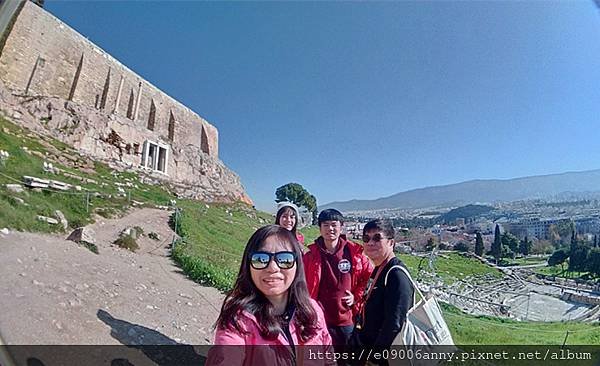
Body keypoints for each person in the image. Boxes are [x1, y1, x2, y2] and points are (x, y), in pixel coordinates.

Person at [207, 225, 333, 365]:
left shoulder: (312, 311)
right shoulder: (237, 320)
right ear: (248, 266)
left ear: (297, 265)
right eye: (261, 259)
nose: (273, 267)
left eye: (284, 259)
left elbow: (329, 360)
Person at [303, 209, 373, 352]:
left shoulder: (354, 252)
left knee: (348, 359)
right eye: (326, 225)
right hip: (319, 319)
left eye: (334, 224)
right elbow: (300, 284)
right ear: (320, 228)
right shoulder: (311, 255)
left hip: (347, 319)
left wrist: (356, 297)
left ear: (341, 226)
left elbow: (368, 276)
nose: (330, 229)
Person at [352, 219, 414, 365]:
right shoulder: (379, 269)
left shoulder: (396, 275)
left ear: (391, 243)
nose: (370, 243)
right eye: (366, 238)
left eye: (377, 238)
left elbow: (395, 324)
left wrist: (374, 359)